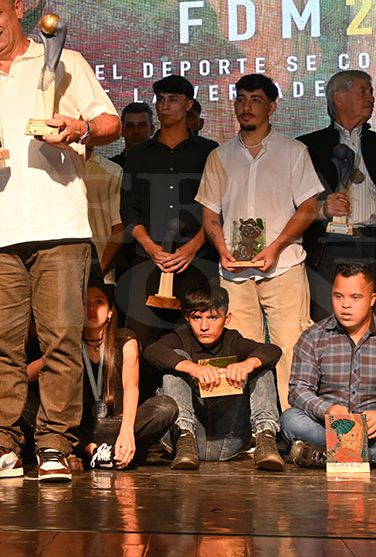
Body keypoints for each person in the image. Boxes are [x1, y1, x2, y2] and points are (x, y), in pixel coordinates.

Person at [0, 0, 120, 483]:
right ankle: (1, 443)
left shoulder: (64, 61)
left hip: (60, 226)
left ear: (18, 9)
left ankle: (54, 444)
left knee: (61, 341)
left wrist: (79, 128)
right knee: (1, 344)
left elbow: (110, 122)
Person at [197, 73, 322, 409]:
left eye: (255, 99)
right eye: (241, 99)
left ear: (272, 106)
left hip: (284, 265)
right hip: (234, 269)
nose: (246, 106)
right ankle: (253, 425)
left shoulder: (293, 151)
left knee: (291, 348)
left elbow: (309, 208)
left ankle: (292, 424)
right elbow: (209, 212)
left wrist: (276, 247)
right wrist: (221, 249)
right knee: (239, 352)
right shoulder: (219, 156)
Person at [119, 75, 218, 399]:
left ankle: (197, 416)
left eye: (173, 100)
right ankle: (141, 413)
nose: (165, 106)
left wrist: (193, 246)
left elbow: (218, 208)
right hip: (148, 260)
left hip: (197, 261)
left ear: (189, 105)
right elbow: (129, 210)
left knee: (198, 338)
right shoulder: (139, 154)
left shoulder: (209, 152)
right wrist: (151, 248)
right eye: (160, 99)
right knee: (140, 341)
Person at [144, 286, 284, 471]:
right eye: (197, 318)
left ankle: (266, 439)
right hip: (182, 443)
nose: (204, 326)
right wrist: (192, 368)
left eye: (212, 318)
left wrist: (247, 365)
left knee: (261, 367)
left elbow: (272, 350)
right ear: (187, 318)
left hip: (228, 439)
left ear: (227, 318)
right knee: (175, 363)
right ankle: (185, 436)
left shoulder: (232, 340)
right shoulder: (181, 337)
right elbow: (152, 351)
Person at [297, 71, 376, 321]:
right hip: (328, 245)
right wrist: (321, 207)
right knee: (327, 323)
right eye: (363, 91)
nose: (371, 98)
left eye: (371, 92)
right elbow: (286, 203)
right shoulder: (307, 147)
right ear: (338, 98)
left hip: (373, 241)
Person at [282, 263, 376, 468]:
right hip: (328, 428)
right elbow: (298, 390)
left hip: (372, 433)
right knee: (291, 419)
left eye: (355, 297)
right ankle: (356, 455)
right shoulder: (314, 337)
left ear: (372, 299)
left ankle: (325, 456)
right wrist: (328, 410)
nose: (345, 305)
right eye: (338, 296)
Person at [73, 284, 177, 469]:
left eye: (98, 302)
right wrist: (54, 355)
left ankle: (110, 450)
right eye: (84, 303)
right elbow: (30, 374)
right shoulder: (69, 343)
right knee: (31, 405)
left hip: (120, 424)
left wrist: (127, 430)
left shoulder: (125, 339)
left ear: (110, 311)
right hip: (83, 428)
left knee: (165, 407)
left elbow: (131, 385)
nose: (91, 308)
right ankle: (94, 450)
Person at [85, 145, 123, 285]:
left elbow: (119, 225)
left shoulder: (112, 170)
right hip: (59, 270)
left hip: (102, 275)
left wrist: (99, 270)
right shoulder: (54, 170)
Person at [111, 102, 154, 168]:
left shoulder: (164, 166)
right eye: (130, 126)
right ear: (122, 130)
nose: (136, 131)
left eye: (142, 125)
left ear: (152, 129)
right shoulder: (109, 168)